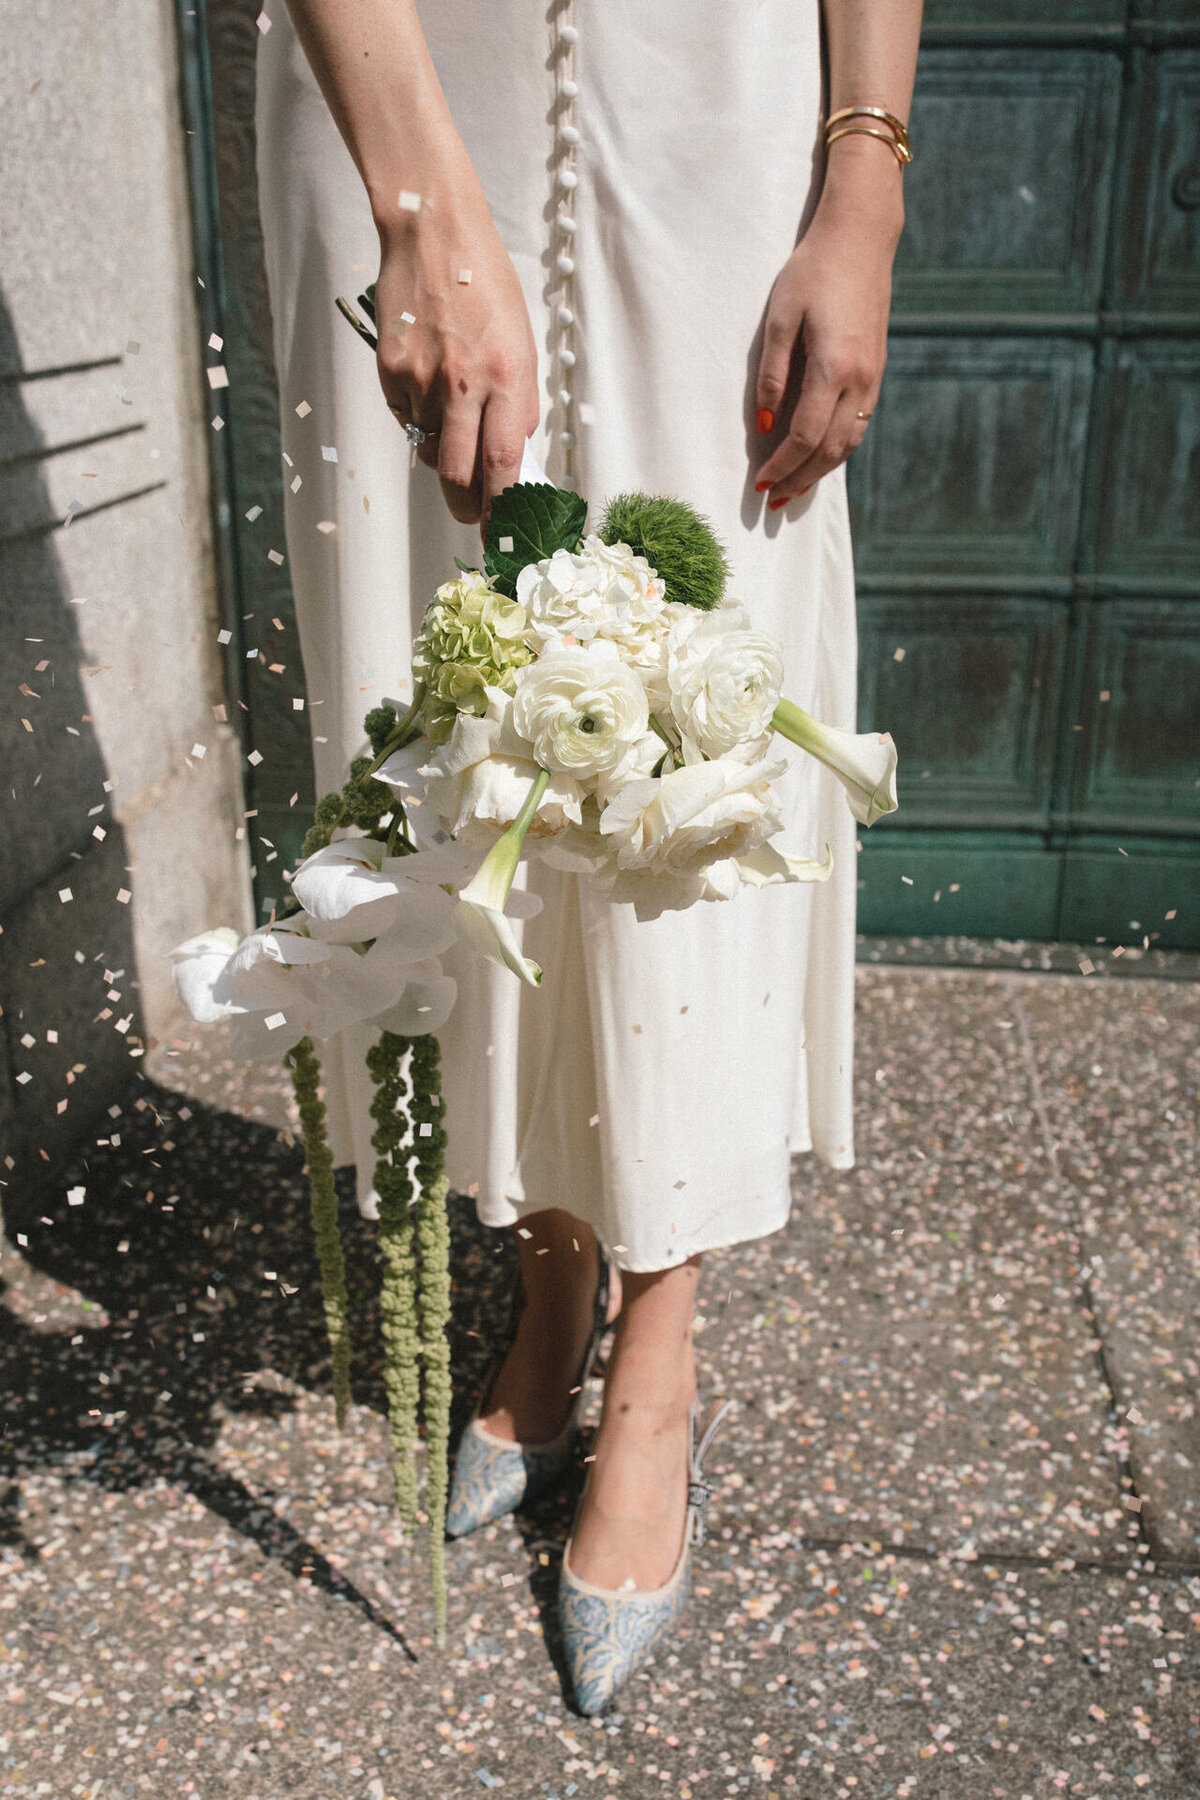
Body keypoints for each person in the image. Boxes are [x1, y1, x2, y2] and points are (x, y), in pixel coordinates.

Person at [255, 0, 922, 1713]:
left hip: (718, 86)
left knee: (694, 709)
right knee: (458, 699)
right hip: (401, 63)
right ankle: (550, 1273)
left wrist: (867, 176)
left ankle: (658, 1362)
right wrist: (412, 191)